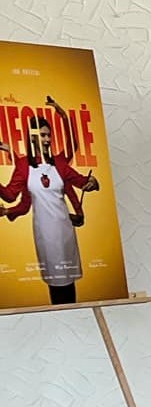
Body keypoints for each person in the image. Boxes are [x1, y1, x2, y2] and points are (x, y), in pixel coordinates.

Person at [0, 100, 100, 305]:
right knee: (55, 284)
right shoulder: (23, 165)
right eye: (43, 135)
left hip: (65, 231)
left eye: (49, 135)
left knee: (69, 282)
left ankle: (73, 314)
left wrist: (91, 183)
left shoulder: (60, 162)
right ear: (32, 138)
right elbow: (10, 195)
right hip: (44, 234)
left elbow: (81, 178)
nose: (47, 139)